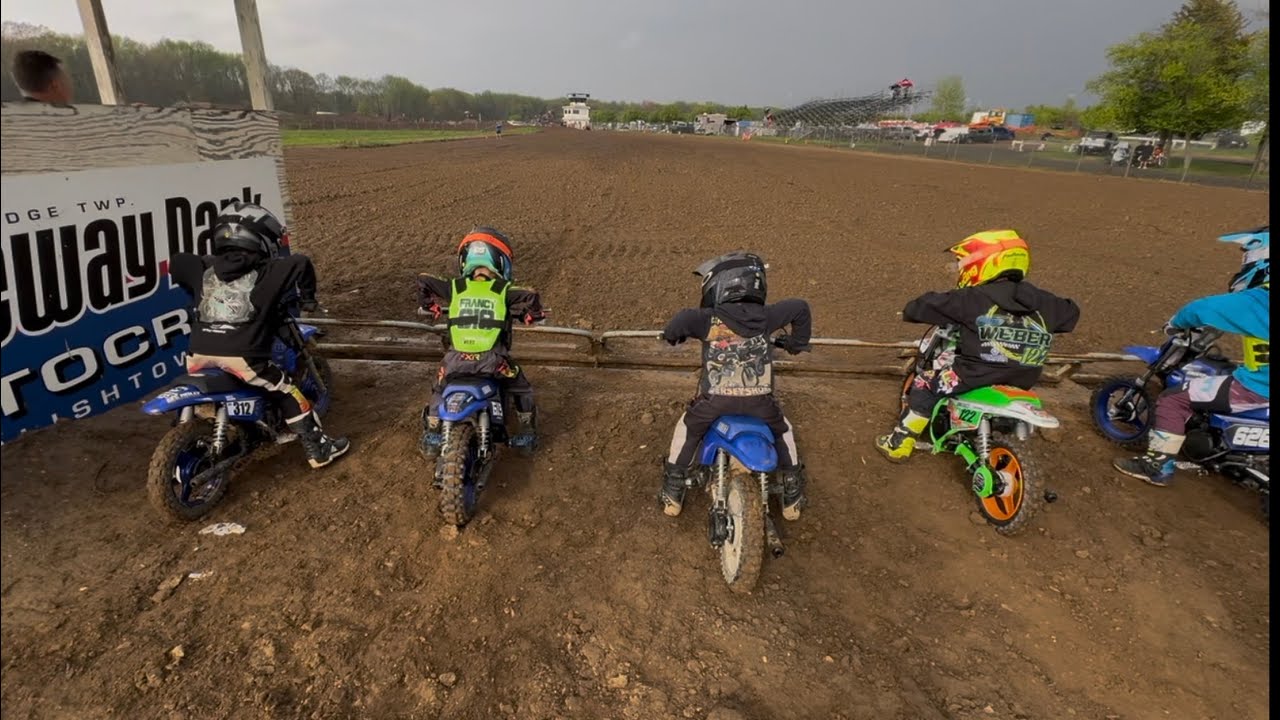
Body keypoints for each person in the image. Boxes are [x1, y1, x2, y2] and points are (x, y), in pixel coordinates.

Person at [167, 202, 351, 468]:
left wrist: (197, 291)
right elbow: (301, 262)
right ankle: (319, 450)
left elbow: (177, 262)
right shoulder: (270, 270)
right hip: (243, 358)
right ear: (261, 239)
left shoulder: (202, 267)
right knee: (288, 392)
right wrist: (308, 298)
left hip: (198, 356)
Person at [875, 230, 1081, 461]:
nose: (961, 268)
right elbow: (1071, 314)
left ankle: (899, 444)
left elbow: (921, 307)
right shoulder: (1046, 301)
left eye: (963, 263)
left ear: (982, 263)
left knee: (925, 382)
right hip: (1025, 377)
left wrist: (912, 310)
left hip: (974, 374)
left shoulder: (972, 298)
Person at [660, 251, 812, 521]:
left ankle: (674, 487)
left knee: (688, 428)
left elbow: (680, 321)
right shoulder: (769, 316)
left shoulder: (707, 319)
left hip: (715, 402)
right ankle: (791, 492)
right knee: (783, 431)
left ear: (719, 285)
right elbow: (800, 307)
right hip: (760, 402)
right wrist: (795, 344)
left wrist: (672, 336)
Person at [1114, 227, 1270, 486]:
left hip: (1260, 387)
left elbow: (1202, 309)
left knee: (1174, 400)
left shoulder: (1261, 299)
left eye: (1248, 256)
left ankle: (1158, 467)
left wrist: (1175, 322)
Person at [416, 227, 546, 459]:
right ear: (501, 261)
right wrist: (532, 314)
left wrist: (429, 304)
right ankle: (526, 428)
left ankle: (433, 431)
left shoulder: (455, 287)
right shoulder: (502, 290)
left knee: (439, 386)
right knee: (520, 384)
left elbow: (423, 279)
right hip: (492, 362)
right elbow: (531, 294)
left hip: (455, 361)